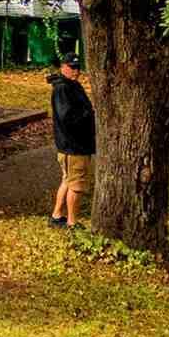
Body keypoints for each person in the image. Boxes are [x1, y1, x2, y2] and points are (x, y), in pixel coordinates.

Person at [48, 57, 97, 228]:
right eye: (72, 67)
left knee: (68, 181)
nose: (76, 71)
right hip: (74, 146)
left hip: (75, 145)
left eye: (78, 67)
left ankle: (57, 216)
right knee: (77, 185)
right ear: (63, 67)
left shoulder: (72, 85)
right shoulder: (62, 89)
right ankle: (72, 222)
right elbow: (67, 118)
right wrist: (89, 115)